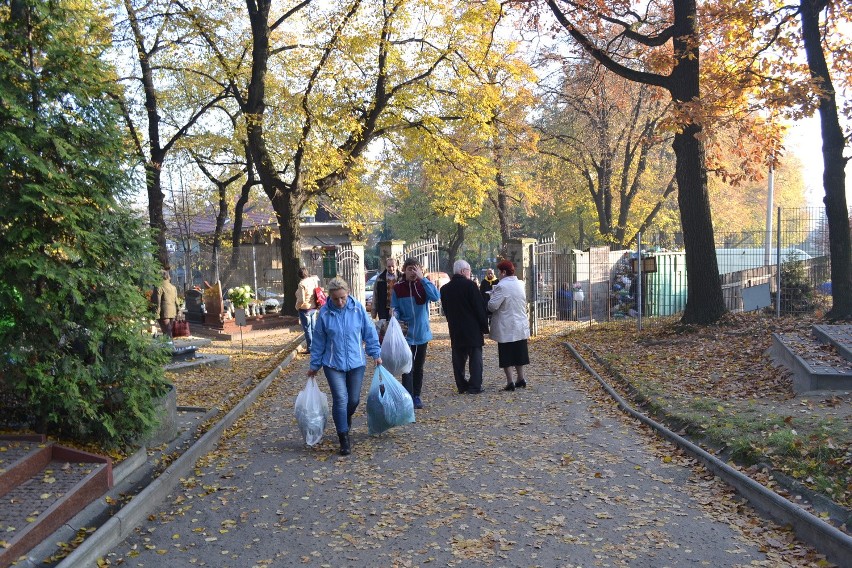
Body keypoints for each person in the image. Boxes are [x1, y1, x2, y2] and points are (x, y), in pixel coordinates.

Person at [308, 277, 382, 456]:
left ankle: (345, 417)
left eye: (342, 297)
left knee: (353, 400)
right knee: (340, 399)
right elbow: (318, 342)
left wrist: (375, 354)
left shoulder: (358, 309)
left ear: (348, 294)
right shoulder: (324, 314)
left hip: (357, 363)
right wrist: (314, 365)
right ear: (329, 298)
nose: (340, 302)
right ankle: (344, 438)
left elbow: (369, 332)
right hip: (333, 364)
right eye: (335, 299)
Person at [391, 257, 440, 409]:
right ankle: (408, 396)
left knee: (418, 366)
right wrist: (395, 314)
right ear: (404, 270)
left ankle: (416, 395)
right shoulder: (398, 288)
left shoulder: (423, 285)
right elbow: (395, 307)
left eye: (415, 268)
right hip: (406, 334)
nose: (412, 272)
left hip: (422, 333)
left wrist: (422, 279)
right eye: (409, 269)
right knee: (407, 367)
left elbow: (436, 297)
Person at [440, 259, 489, 394]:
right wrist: (484, 326)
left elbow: (445, 309)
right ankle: (475, 386)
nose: (470, 273)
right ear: (463, 271)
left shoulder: (445, 289)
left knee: (458, 359)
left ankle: (461, 385)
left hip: (455, 327)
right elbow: (479, 308)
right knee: (475, 358)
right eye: (469, 271)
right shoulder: (470, 286)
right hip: (472, 328)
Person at [488, 260, 531, 391]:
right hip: (520, 323)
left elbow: (492, 306)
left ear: (504, 272)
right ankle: (521, 378)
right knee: (519, 352)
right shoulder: (520, 284)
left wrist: (492, 296)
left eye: (499, 272)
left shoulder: (502, 286)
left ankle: (510, 381)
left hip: (506, 325)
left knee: (506, 353)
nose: (498, 275)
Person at [295, 267, 320, 354]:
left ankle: (310, 348)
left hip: (305, 309)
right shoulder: (312, 280)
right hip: (313, 307)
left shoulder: (301, 284)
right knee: (313, 328)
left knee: (307, 329)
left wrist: (297, 307)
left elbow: (301, 299)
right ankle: (316, 346)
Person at [372, 257, 404, 322]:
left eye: (393, 266)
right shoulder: (380, 278)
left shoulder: (402, 278)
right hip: (383, 309)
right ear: (386, 267)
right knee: (385, 329)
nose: (391, 268)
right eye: (389, 266)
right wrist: (374, 311)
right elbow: (375, 294)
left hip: (399, 309)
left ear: (397, 266)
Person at [153, 269, 181, 338]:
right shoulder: (173, 287)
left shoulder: (159, 287)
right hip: (172, 312)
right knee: (168, 331)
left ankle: (170, 347)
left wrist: (156, 314)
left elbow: (157, 302)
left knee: (167, 332)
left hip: (163, 313)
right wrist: (178, 311)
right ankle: (168, 346)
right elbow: (176, 301)